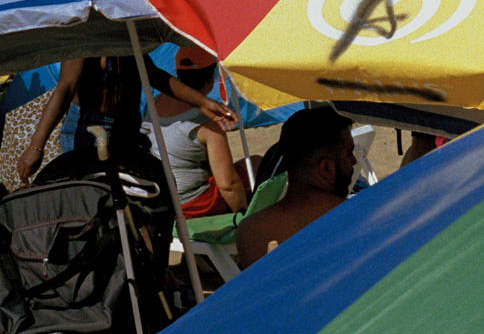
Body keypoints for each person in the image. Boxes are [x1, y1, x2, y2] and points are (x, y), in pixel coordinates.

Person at [16, 54, 236, 186]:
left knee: (135, 195)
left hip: (127, 127)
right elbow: (66, 87)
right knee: (93, 195)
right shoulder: (87, 31)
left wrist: (202, 102)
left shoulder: (124, 28)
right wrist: (36, 146)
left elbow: (152, 74)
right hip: (88, 130)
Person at [235, 107, 355, 268]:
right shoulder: (357, 218)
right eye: (349, 154)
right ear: (326, 168)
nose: (354, 161)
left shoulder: (251, 232)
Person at [144, 44, 248, 218]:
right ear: (210, 79)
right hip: (191, 204)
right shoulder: (209, 122)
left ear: (178, 75)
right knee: (254, 164)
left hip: (159, 197)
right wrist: (243, 217)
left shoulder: (155, 101)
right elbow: (228, 184)